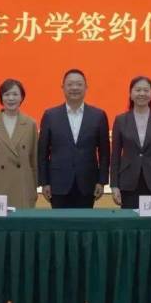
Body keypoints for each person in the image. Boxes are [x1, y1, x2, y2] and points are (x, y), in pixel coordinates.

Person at [38, 69, 110, 208]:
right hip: (58, 184)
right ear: (63, 87)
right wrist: (44, 182)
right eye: (70, 84)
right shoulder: (50, 115)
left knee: (84, 221)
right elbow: (43, 153)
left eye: (79, 84)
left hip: (88, 184)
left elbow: (104, 153)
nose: (74, 88)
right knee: (59, 221)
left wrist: (101, 181)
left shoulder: (98, 115)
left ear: (86, 87)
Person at [110, 76, 151, 209]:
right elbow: (115, 155)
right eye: (138, 90)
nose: (142, 93)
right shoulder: (121, 120)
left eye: (146, 90)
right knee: (129, 220)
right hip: (128, 182)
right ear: (131, 94)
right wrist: (114, 185)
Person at [0, 79, 38, 208]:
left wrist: (36, 186)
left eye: (15, 94)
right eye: (7, 94)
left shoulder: (30, 124)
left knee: (22, 220)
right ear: (1, 97)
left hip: (22, 185)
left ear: (22, 97)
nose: (11, 98)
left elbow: (35, 158)